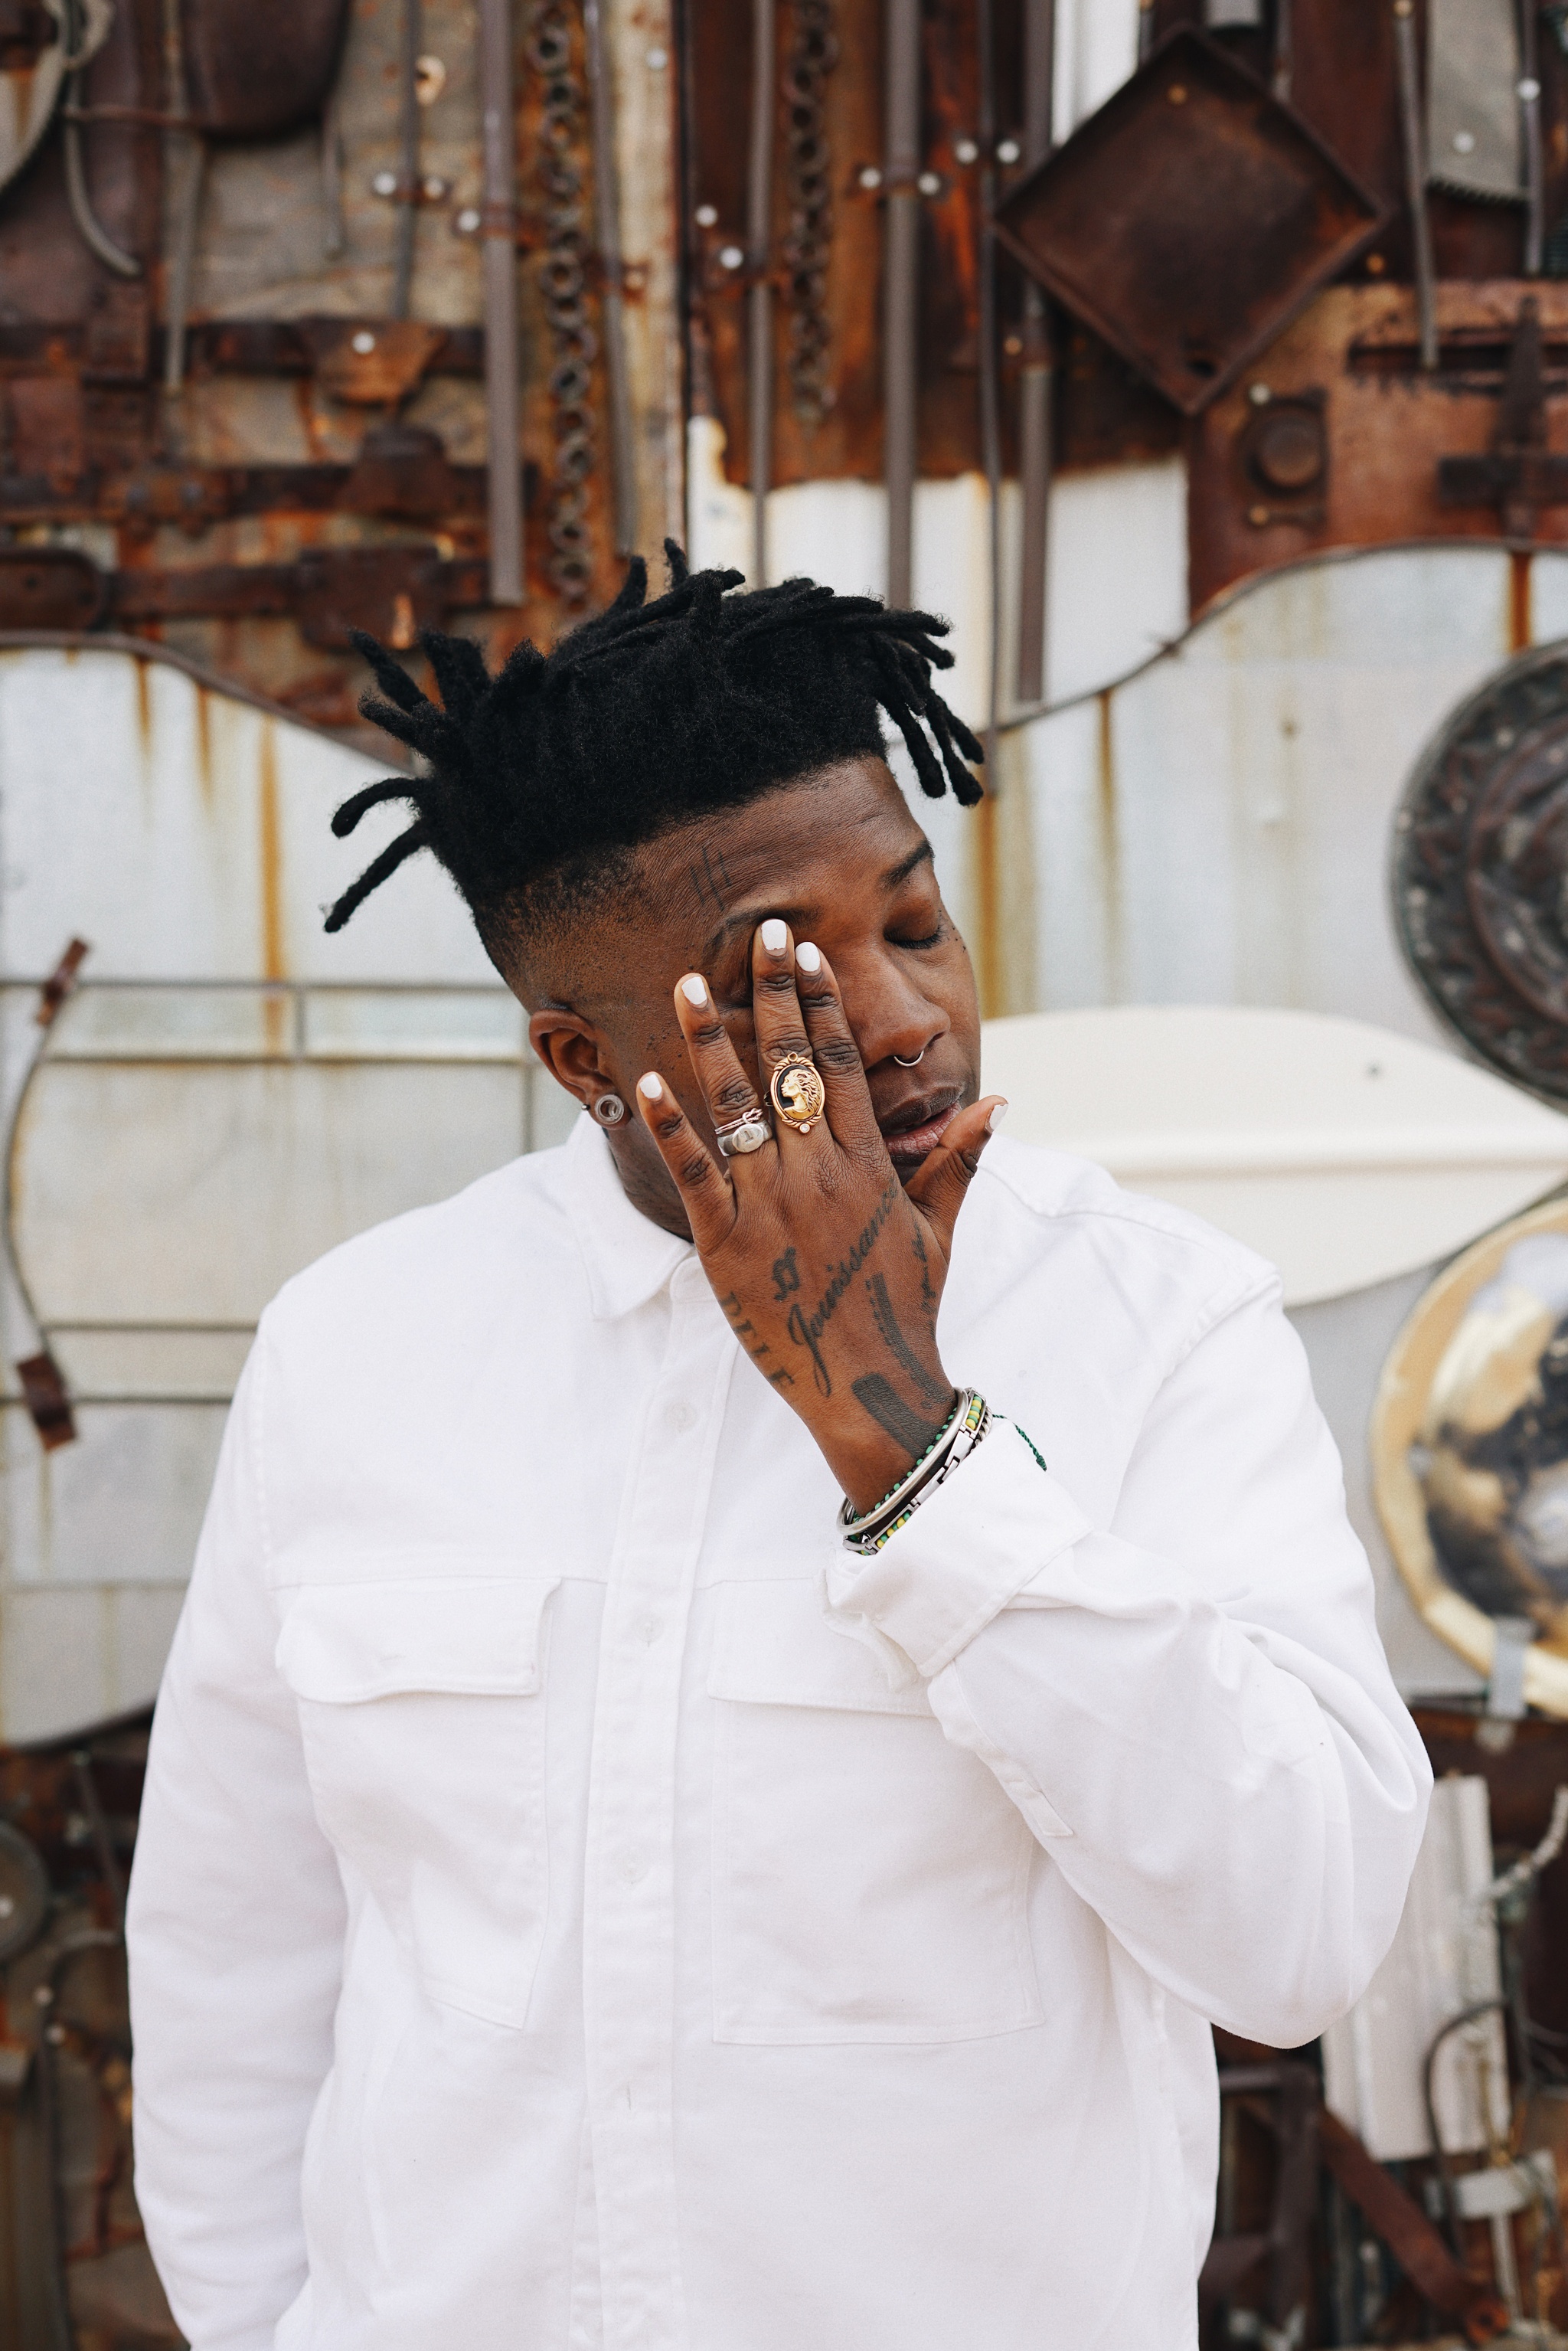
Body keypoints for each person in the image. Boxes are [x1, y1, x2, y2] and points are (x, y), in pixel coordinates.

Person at [126, 550, 1431, 2351]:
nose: (901, 1019)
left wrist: (910, 1444)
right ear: (589, 1060)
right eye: (786, 976)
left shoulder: (1160, 1323)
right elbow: (235, 1965)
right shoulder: (357, 1348)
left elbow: (1298, 1933)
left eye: (911, 923)